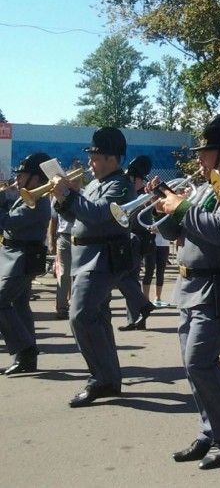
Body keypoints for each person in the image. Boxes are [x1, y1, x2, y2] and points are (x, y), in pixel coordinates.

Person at [151, 111, 220, 470]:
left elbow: (219, 230)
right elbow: (177, 233)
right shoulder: (203, 187)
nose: (198, 158)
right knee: (193, 364)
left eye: (205, 152)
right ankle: (210, 429)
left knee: (200, 360)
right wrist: (165, 206)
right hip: (191, 286)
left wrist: (181, 207)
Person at [52, 127, 135, 407]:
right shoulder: (94, 183)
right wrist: (63, 197)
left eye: (96, 158)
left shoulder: (121, 185)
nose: (90, 163)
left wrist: (71, 195)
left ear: (113, 159)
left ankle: (99, 378)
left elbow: (99, 215)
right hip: (85, 257)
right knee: (97, 319)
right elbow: (74, 212)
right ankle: (109, 379)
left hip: (103, 259)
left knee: (80, 316)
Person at [0, 153, 52, 375]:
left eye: (22, 175)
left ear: (37, 178)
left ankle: (25, 351)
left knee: (1, 301)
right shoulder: (27, 195)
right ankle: (27, 358)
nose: (17, 180)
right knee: (20, 305)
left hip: (23, 256)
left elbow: (8, 222)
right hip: (14, 253)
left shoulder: (37, 201)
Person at [117, 155, 156, 331]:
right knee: (131, 278)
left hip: (139, 240)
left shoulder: (144, 197)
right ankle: (136, 319)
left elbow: (146, 220)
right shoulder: (129, 194)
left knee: (122, 275)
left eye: (134, 179)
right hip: (129, 240)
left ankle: (143, 306)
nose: (133, 182)